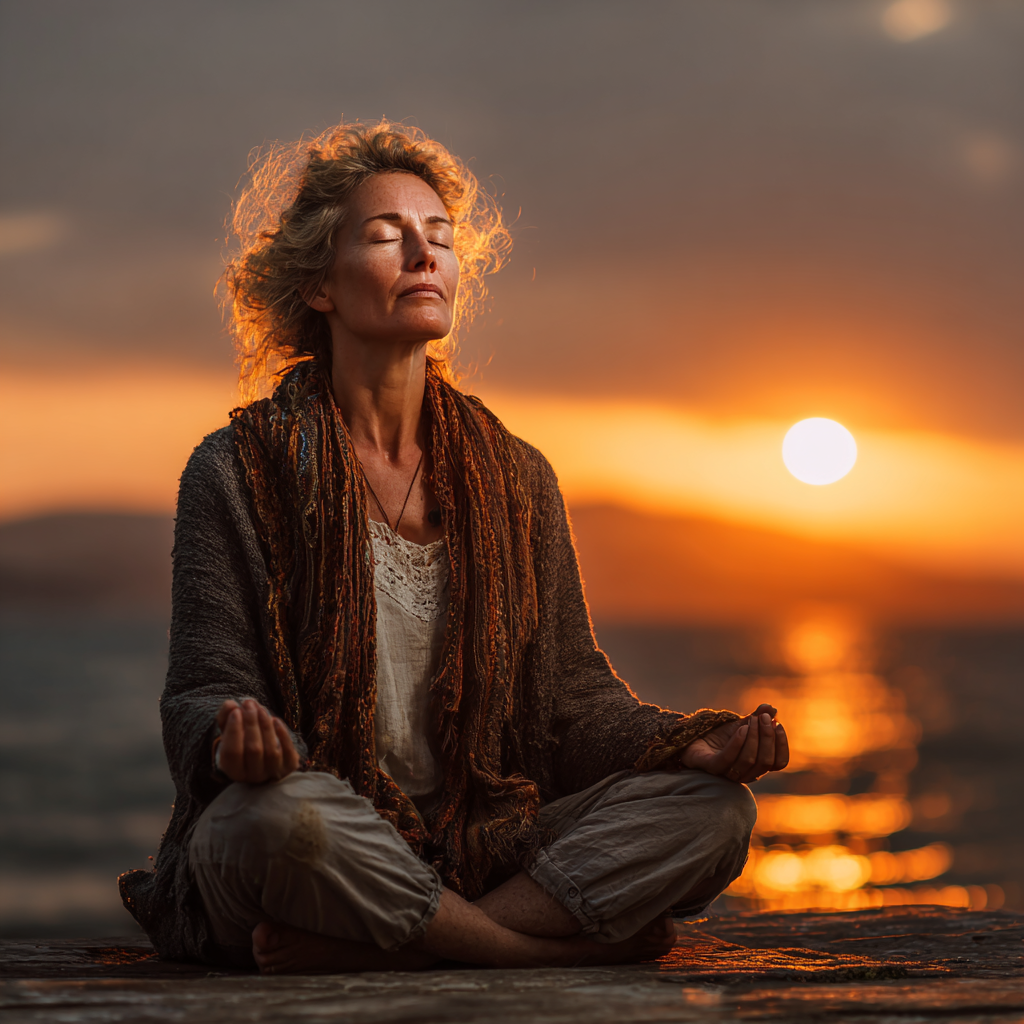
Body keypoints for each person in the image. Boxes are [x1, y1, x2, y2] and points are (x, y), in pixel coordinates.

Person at [119, 120, 790, 974]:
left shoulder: (517, 477)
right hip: (326, 831)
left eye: (438, 237)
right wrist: (232, 736)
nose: (422, 255)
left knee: (713, 813)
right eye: (385, 235)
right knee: (274, 820)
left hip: (482, 841)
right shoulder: (235, 471)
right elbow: (203, 689)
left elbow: (573, 703)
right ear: (319, 284)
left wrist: (689, 745)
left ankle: (389, 944)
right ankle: (531, 952)